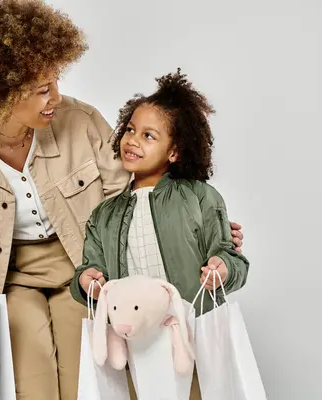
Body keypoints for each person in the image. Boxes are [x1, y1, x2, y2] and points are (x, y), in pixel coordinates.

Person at [0, 2, 244, 399]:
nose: (57, 97)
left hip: (83, 263)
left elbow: (127, 195)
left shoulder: (81, 121)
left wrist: (199, 225)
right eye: (43, 89)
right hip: (8, 278)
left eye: (56, 80)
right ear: (3, 94)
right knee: (32, 378)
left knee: (91, 376)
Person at [70, 68, 250, 399]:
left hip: (191, 332)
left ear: (175, 151)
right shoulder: (103, 216)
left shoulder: (200, 197)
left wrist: (222, 269)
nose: (133, 140)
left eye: (149, 136)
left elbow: (231, 257)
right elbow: (88, 270)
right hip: (135, 340)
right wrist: (86, 281)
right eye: (130, 130)